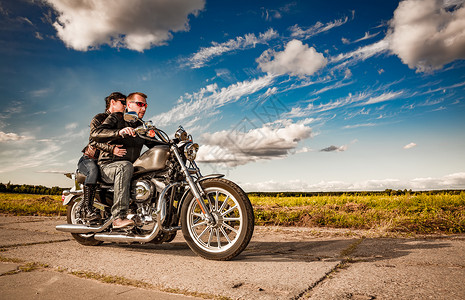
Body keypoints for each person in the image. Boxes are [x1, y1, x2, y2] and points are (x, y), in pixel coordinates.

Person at [91, 92, 161, 229]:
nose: (144, 108)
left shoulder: (141, 126)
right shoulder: (117, 117)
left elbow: (154, 144)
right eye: (140, 104)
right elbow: (95, 134)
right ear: (129, 105)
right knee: (125, 166)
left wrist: (176, 143)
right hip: (107, 166)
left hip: (128, 168)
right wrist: (119, 132)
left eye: (145, 105)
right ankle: (118, 217)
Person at [77, 92, 127, 221]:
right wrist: (112, 149)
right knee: (93, 170)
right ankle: (87, 208)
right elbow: (93, 140)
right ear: (112, 102)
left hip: (105, 162)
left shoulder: (122, 120)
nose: (126, 106)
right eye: (123, 102)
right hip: (89, 159)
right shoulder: (99, 118)